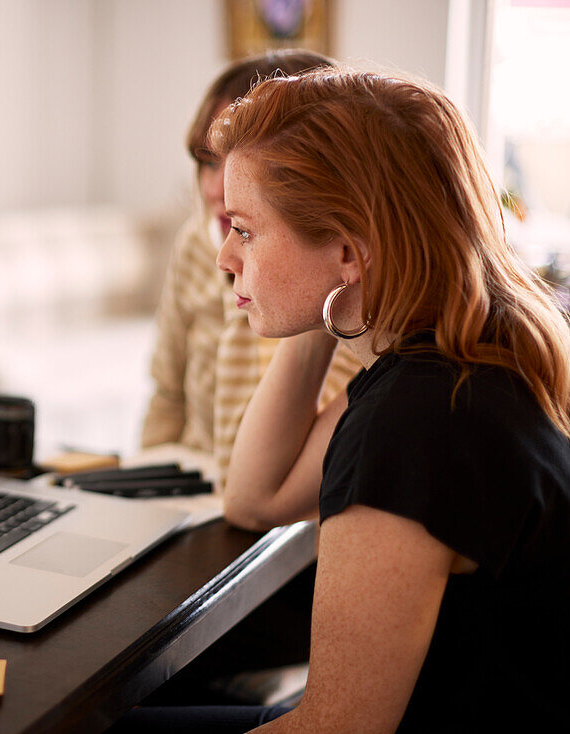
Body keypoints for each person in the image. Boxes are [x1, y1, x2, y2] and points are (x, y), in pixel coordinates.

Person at [121, 68, 570, 732]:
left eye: (244, 229)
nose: (223, 257)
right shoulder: (460, 357)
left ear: (349, 248)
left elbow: (335, 729)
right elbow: (257, 497)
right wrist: (326, 307)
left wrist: (328, 283)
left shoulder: (413, 427)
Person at [141, 51, 362, 492]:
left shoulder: (326, 291)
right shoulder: (197, 246)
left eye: (234, 160)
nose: (213, 188)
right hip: (190, 485)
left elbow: (281, 485)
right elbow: (166, 393)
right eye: (207, 161)